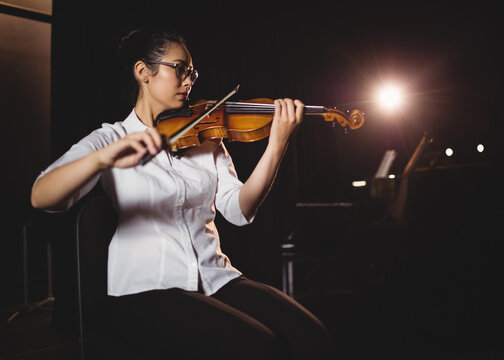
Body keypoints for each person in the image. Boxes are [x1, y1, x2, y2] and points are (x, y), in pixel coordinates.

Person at [31, 29, 332, 359]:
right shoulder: (112, 137)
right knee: (260, 347)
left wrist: (277, 145)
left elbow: (238, 210)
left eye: (193, 72)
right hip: (148, 289)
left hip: (216, 277)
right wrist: (104, 157)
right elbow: (42, 196)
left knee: (312, 337)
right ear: (144, 72)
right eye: (180, 69)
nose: (190, 80)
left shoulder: (205, 137)